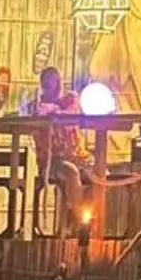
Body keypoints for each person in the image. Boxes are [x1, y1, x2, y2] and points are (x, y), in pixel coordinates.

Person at [27, 65, 98, 230]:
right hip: (52, 161)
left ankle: (77, 209)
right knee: (71, 173)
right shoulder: (36, 107)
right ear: (44, 85)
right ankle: (80, 220)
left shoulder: (70, 99)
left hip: (79, 156)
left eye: (58, 81)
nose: (57, 85)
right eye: (51, 82)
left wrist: (56, 112)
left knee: (103, 175)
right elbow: (33, 118)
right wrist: (46, 113)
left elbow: (71, 114)